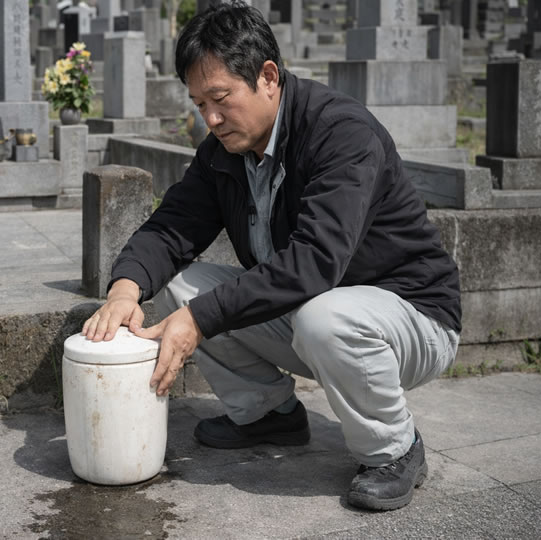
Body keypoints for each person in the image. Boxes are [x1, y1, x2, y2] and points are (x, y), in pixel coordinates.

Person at [81, 2, 461, 512]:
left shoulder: (341, 133)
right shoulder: (223, 151)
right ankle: (269, 414)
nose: (211, 119)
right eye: (199, 104)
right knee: (183, 286)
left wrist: (199, 320)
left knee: (321, 318)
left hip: (412, 316)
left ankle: (394, 449)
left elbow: (315, 261)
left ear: (267, 77)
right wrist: (124, 290)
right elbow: (171, 227)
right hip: (316, 309)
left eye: (220, 99)